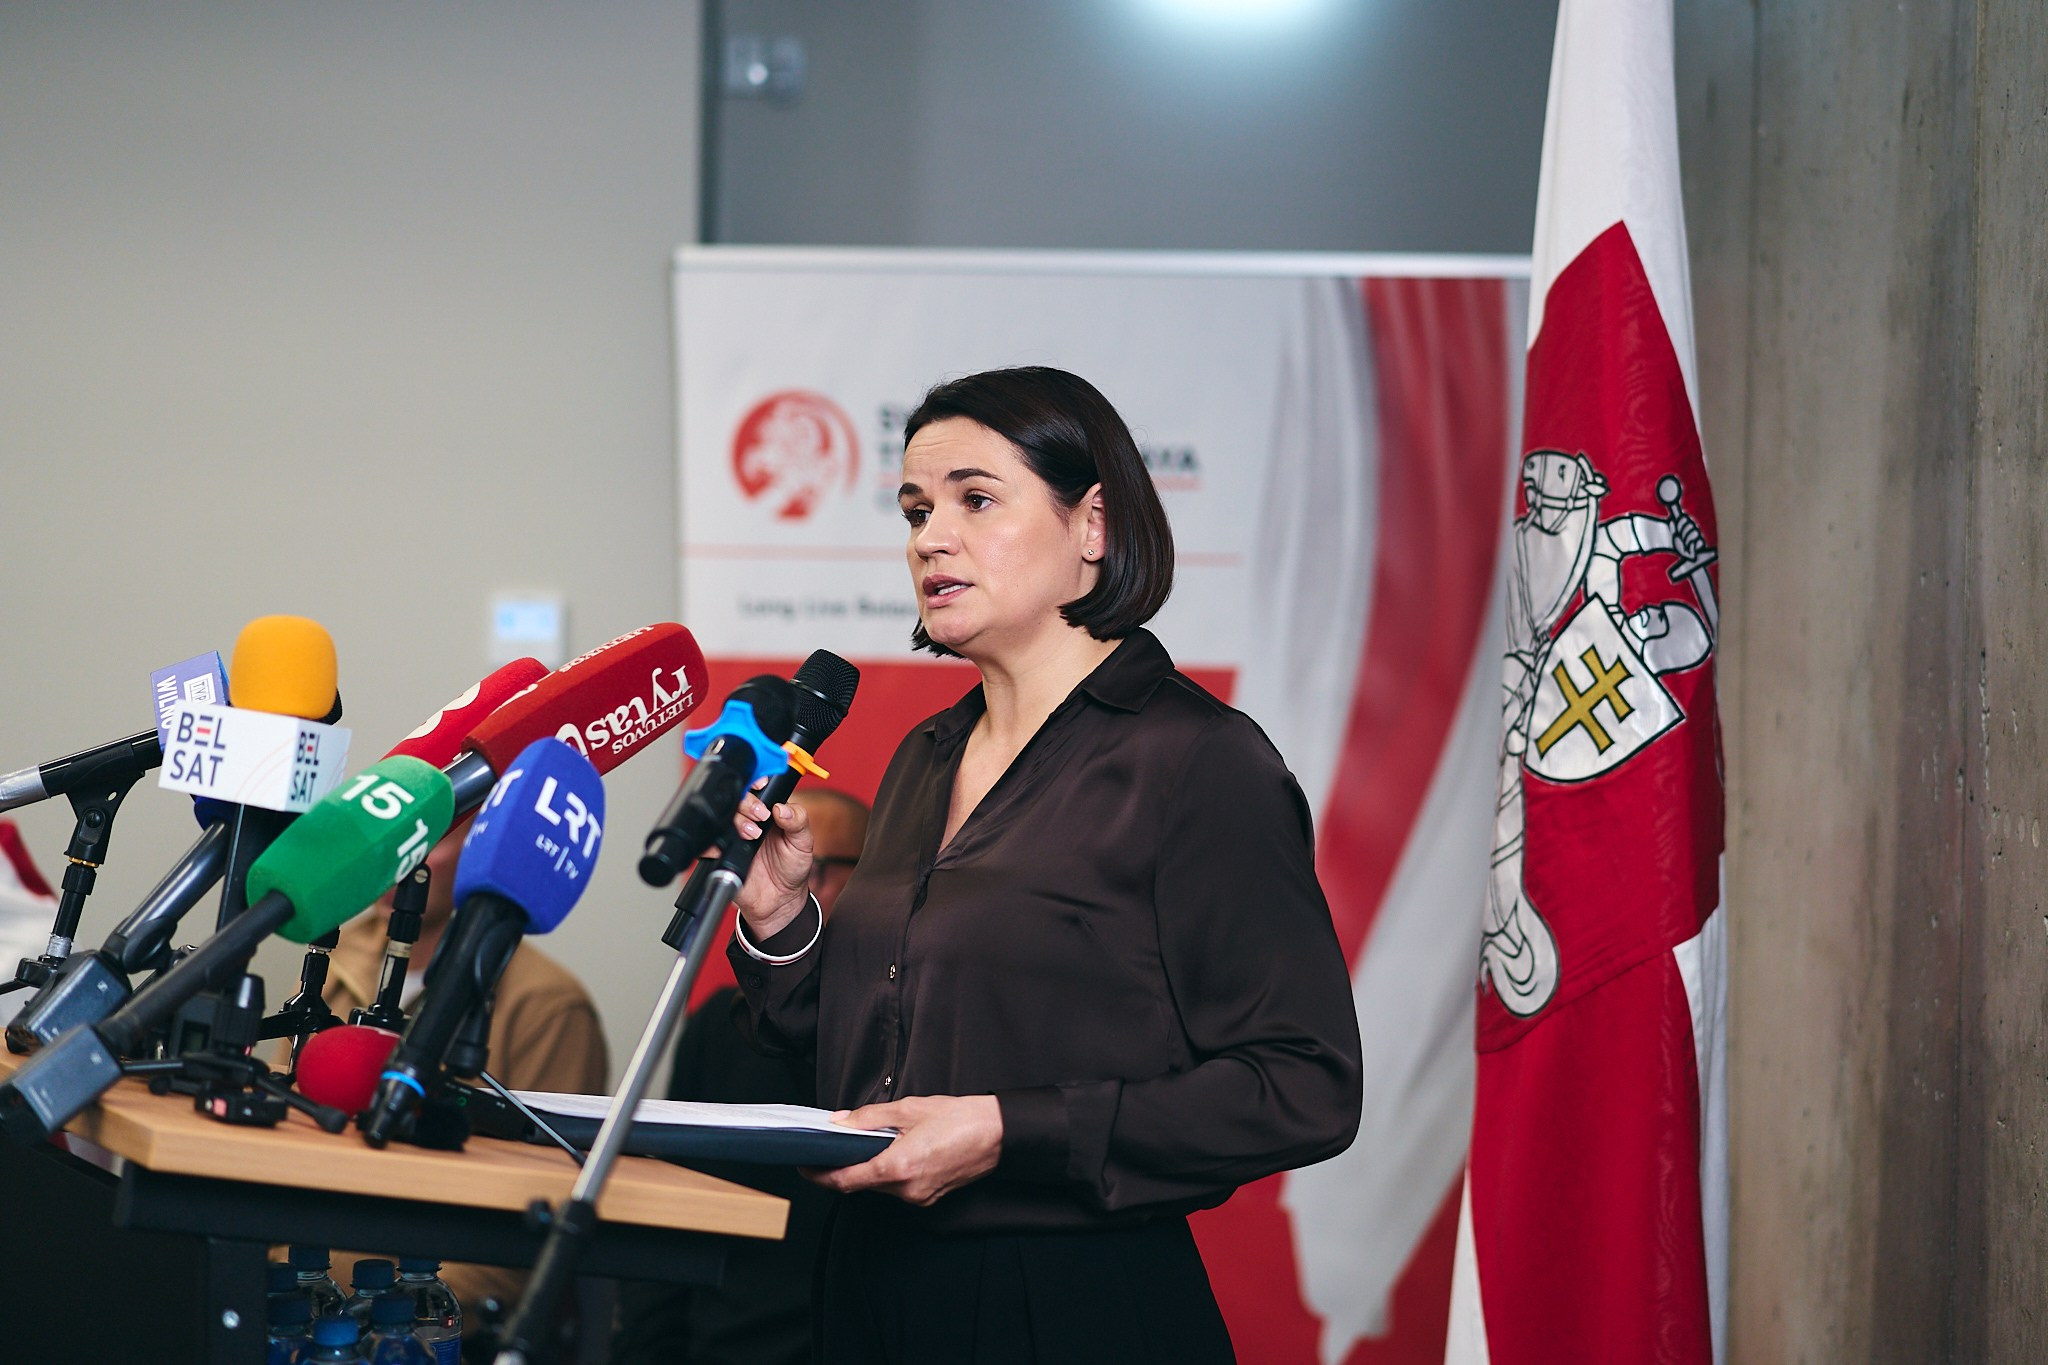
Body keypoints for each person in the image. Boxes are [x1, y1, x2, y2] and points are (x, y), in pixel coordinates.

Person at [724, 367, 1364, 1363]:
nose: (930, 537)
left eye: (975, 500)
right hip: (870, 1288)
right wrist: (779, 921)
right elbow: (860, 1051)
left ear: (1092, 526)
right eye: (915, 510)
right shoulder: (922, 757)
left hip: (1069, 1304)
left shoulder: (1196, 761)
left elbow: (1301, 1084)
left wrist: (1006, 1132)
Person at [610, 788, 870, 1365]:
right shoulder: (721, 1028)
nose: (793, 882)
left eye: (816, 869)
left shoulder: (904, 1031)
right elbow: (669, 1205)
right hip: (717, 1340)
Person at [315, 819, 608, 1331]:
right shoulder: (334, 953)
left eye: (430, 835)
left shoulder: (548, 1006)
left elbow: (521, 1250)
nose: (398, 852)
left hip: (429, 1321)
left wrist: (358, 1302)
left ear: (486, 847)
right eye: (388, 831)